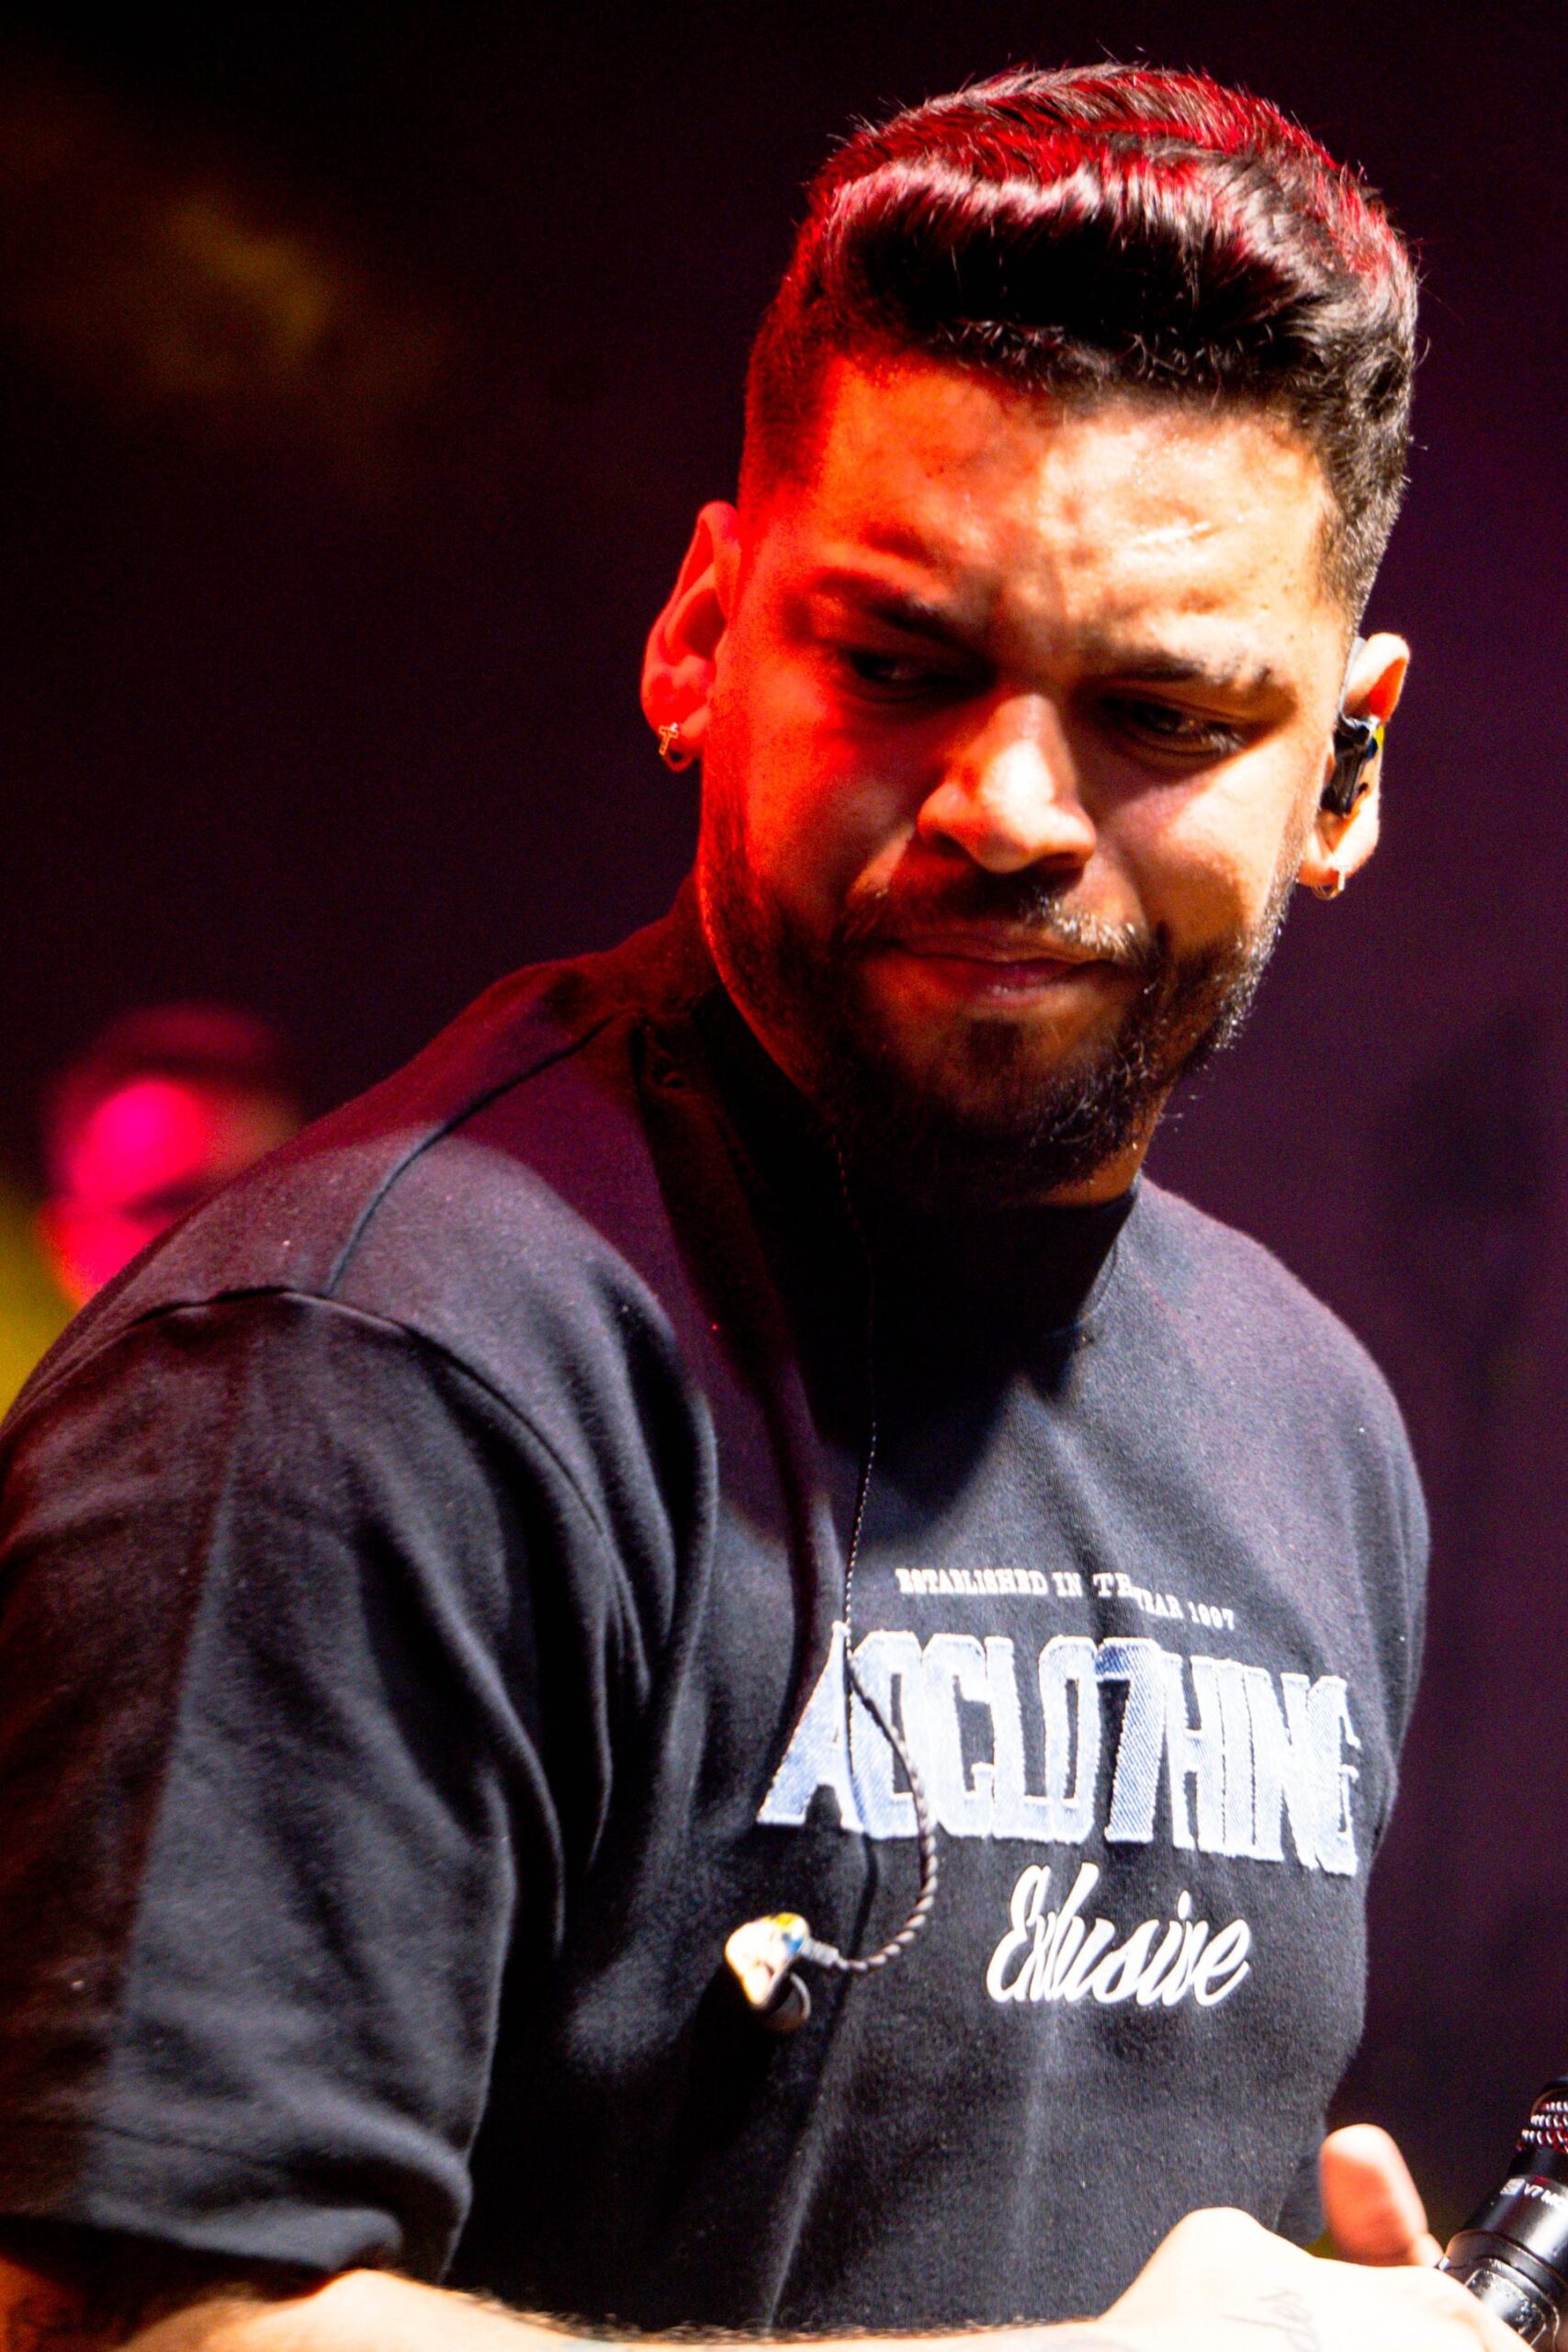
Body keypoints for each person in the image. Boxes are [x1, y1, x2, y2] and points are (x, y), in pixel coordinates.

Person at [0, 62, 1517, 2352]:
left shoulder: (1311, 1420)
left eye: (1159, 713)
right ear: (701, 630)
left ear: (1347, 764)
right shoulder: (353, 1376)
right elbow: (140, 2334)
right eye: (899, 663)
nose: (1008, 805)